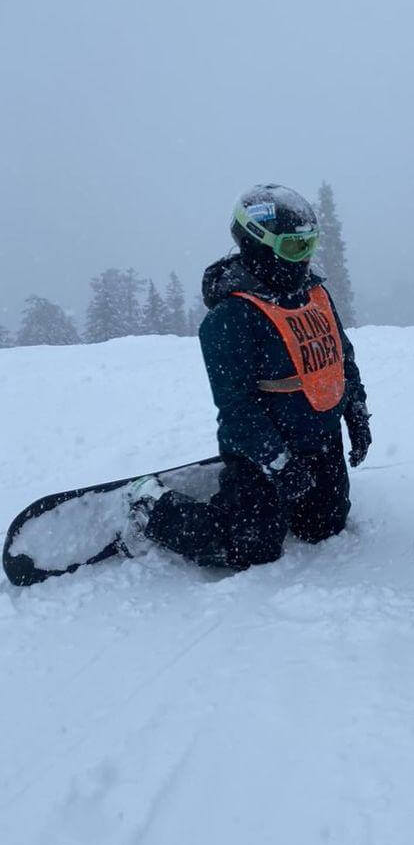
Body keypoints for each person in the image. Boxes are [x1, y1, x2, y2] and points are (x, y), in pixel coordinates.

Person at [124, 183, 371, 570]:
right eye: (294, 247)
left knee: (323, 527)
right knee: (251, 550)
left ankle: (267, 495)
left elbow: (341, 356)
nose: (304, 259)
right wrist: (279, 463)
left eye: (310, 245)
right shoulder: (231, 318)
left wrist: (355, 409)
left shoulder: (315, 294)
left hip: (320, 440)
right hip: (261, 451)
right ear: (258, 243)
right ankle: (150, 505)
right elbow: (237, 409)